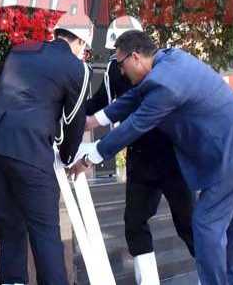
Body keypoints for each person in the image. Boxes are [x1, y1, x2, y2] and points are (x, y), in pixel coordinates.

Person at [70, 31, 233, 285]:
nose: (120, 72)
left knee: (206, 224)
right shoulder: (170, 60)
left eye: (120, 64)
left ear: (135, 57)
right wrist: (92, 120)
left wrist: (89, 157)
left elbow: (133, 126)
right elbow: (133, 97)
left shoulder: (165, 86)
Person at [0, 27, 92, 285]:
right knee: (45, 235)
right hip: (29, 150)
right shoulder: (76, 67)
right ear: (79, 42)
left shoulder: (23, 49)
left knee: (9, 230)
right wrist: (68, 158)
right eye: (85, 48)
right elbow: (75, 122)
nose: (84, 53)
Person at [83, 18, 194, 284]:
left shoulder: (163, 69)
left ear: (136, 52)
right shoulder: (114, 70)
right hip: (140, 156)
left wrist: (96, 150)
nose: (122, 69)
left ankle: (213, 276)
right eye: (117, 58)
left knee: (188, 222)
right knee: (134, 222)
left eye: (123, 59)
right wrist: (74, 115)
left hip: (171, 156)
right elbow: (103, 103)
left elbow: (137, 115)